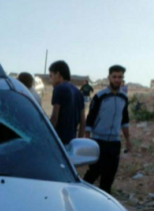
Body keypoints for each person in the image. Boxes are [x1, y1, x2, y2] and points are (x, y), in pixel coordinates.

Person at [83, 65, 131, 194]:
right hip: (98, 141)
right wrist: (86, 138)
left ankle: (103, 205)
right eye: (114, 76)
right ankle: (81, 195)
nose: (117, 80)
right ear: (109, 77)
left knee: (109, 177)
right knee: (93, 172)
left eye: (119, 77)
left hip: (114, 143)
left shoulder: (124, 98)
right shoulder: (100, 96)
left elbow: (125, 120)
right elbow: (90, 118)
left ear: (123, 78)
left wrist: (128, 140)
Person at [49, 61, 85, 145]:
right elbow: (83, 121)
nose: (50, 80)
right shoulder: (78, 92)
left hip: (58, 141)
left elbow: (54, 118)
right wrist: (78, 143)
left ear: (58, 74)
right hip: (72, 141)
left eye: (51, 76)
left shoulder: (58, 88)